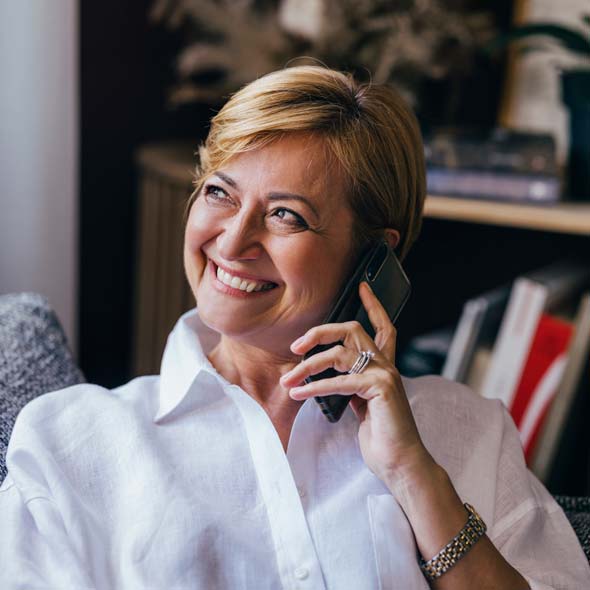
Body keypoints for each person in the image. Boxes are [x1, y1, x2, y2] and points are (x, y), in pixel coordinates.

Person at [1, 65, 589, 590]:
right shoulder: (72, 442)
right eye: (218, 193)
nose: (232, 242)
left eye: (286, 214)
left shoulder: (466, 431)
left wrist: (414, 475)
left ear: (373, 259)